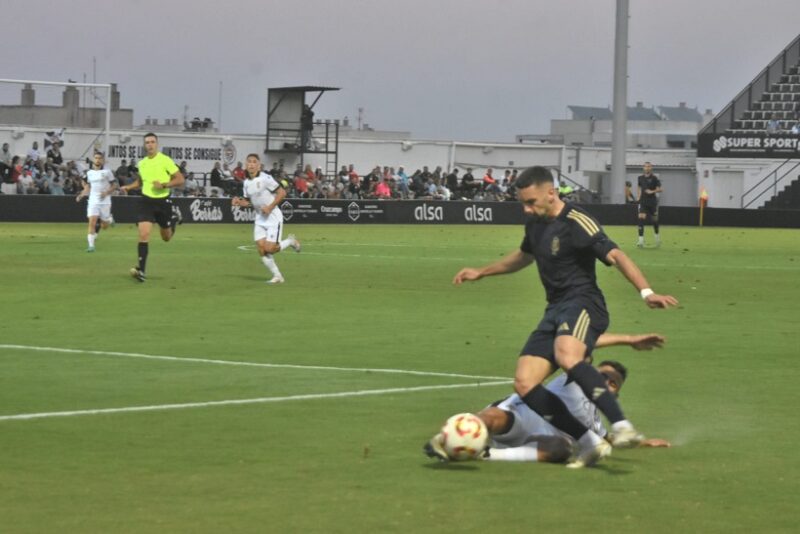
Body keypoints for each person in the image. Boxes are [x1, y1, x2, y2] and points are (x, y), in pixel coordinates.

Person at [448, 166, 678, 468]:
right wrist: (483, 271)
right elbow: (523, 256)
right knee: (524, 382)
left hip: (584, 303)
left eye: (531, 202)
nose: (526, 208)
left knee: (568, 355)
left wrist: (647, 293)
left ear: (551, 192)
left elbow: (616, 255)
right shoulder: (534, 223)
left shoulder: (577, 221)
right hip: (554, 308)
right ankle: (589, 442)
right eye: (523, 202)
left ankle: (622, 425)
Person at [425, 333, 671, 463]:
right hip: (523, 415)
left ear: (616, 391)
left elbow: (608, 438)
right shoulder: (576, 376)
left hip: (541, 442)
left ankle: (488, 455)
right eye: (600, 374)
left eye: (612, 381)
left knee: (562, 449)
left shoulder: (597, 421)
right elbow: (583, 341)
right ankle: (447, 438)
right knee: (494, 418)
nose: (604, 381)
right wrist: (628, 340)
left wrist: (643, 443)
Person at [119, 133, 184, 282]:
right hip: (146, 201)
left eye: (152, 142)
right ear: (144, 145)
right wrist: (128, 187)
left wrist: (164, 185)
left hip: (163, 202)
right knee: (143, 234)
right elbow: (140, 182)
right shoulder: (142, 164)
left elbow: (180, 179)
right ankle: (142, 270)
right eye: (147, 142)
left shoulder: (165, 160)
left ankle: (173, 220)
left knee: (166, 237)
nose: (150, 144)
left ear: (157, 144)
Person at [231, 153, 301, 284]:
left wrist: (270, 207)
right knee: (261, 248)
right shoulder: (246, 183)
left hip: (273, 217)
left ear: (258, 165)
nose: (251, 164)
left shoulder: (266, 178)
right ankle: (277, 276)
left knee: (270, 249)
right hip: (260, 218)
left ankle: (290, 241)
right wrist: (239, 202)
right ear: (246, 165)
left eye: (254, 162)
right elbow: (249, 202)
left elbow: (282, 193)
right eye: (249, 162)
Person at [75, 152, 117, 252]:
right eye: (96, 158)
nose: (97, 160)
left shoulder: (107, 172)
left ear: (102, 160)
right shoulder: (89, 173)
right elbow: (88, 187)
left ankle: (109, 219)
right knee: (92, 222)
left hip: (105, 201)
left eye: (99, 158)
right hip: (93, 201)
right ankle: (91, 246)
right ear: (93, 160)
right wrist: (81, 195)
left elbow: (114, 185)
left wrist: (106, 192)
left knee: (104, 226)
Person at [637, 162, 662, 248]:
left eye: (649, 166)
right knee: (641, 218)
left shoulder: (655, 178)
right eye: (646, 166)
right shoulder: (640, 178)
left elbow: (660, 189)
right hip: (643, 202)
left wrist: (652, 191)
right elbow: (639, 188)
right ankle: (640, 241)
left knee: (654, 221)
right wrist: (638, 197)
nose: (647, 168)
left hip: (652, 203)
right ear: (643, 168)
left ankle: (657, 239)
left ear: (651, 168)